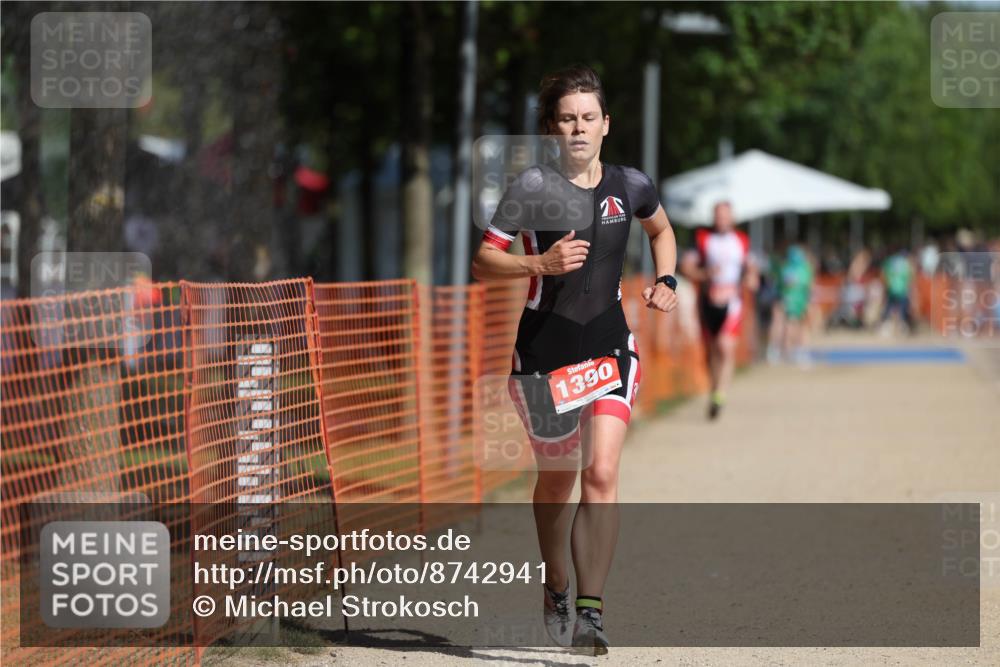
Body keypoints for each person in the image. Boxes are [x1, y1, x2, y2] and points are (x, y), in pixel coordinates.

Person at [471, 65, 678, 655]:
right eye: (567, 119)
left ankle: (592, 610)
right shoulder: (530, 189)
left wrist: (666, 277)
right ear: (550, 128)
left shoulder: (631, 184)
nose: (579, 129)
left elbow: (662, 231)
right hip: (544, 353)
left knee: (603, 474)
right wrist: (540, 265)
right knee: (558, 480)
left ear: (606, 124)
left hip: (610, 346)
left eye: (589, 118)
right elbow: (484, 263)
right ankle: (556, 581)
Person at [679, 201, 757, 419]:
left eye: (725, 216)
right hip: (708, 301)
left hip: (732, 301)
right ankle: (714, 389)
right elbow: (687, 267)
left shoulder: (741, 240)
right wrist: (705, 274)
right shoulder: (703, 238)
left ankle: (719, 395)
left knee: (725, 346)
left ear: (732, 218)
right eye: (718, 216)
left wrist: (752, 278)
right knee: (711, 351)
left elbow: (750, 266)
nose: (721, 220)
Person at [778, 244, 815, 365]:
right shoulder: (796, 268)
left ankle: (796, 351)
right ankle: (790, 351)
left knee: (798, 325)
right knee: (792, 325)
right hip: (795, 300)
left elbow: (807, 286)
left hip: (798, 300)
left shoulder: (793, 268)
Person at [880, 247, 916, 336]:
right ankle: (900, 329)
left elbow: (884, 274)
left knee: (889, 310)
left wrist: (887, 286)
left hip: (893, 290)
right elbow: (910, 277)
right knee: (901, 311)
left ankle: (890, 328)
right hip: (901, 290)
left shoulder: (890, 261)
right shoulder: (907, 263)